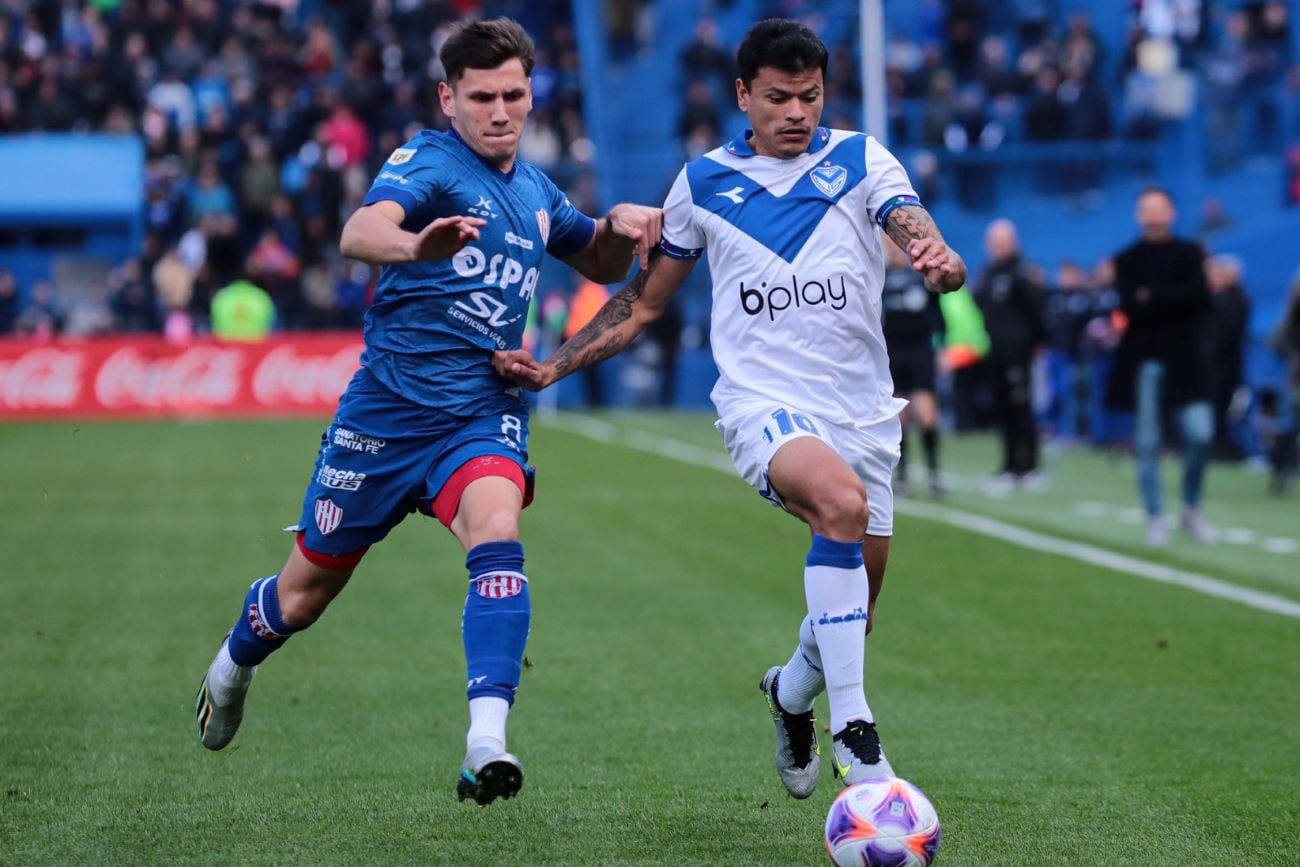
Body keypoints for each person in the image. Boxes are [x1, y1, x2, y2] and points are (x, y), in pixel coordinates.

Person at [192, 18, 662, 807]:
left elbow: (600, 259)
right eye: (482, 97)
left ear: (532, 94)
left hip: (481, 410)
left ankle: (487, 743)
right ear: (450, 99)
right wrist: (417, 247)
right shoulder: (428, 162)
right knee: (303, 596)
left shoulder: (538, 191)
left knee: (498, 530)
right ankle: (236, 659)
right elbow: (360, 229)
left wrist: (618, 225)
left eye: (515, 94)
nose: (501, 111)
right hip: (386, 415)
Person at [494, 19, 965, 799]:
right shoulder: (702, 184)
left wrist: (938, 255)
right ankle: (856, 730)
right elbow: (643, 306)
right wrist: (554, 365)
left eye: (809, 97)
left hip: (862, 412)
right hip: (763, 405)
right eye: (778, 98)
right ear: (743, 95)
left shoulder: (859, 159)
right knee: (839, 507)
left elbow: (909, 223)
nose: (796, 113)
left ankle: (788, 694)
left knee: (855, 608)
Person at [1105, 187, 1215, 546]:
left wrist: (1154, 296)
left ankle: (1190, 507)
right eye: (1147, 210)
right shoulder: (1127, 259)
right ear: (1139, 215)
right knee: (1148, 441)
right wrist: (1169, 297)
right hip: (1145, 359)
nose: (1153, 216)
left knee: (1200, 433)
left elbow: (1198, 298)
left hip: (1185, 358)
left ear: (1172, 213)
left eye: (1160, 209)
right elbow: (1130, 306)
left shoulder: (1190, 253)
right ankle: (1155, 515)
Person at [971, 219, 1047, 486]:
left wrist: (1037, 342)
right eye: (993, 242)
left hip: (1019, 351)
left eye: (1002, 241)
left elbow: (1039, 310)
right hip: (996, 351)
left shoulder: (1023, 272)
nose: (997, 247)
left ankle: (1030, 467)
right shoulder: (988, 274)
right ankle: (1009, 466)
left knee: (1022, 408)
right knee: (1002, 410)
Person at [881, 235, 946, 496]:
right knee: (899, 417)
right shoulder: (878, 276)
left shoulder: (922, 274)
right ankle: (903, 474)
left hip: (920, 350)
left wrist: (942, 346)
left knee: (927, 413)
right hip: (893, 351)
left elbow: (937, 313)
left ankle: (934, 474)